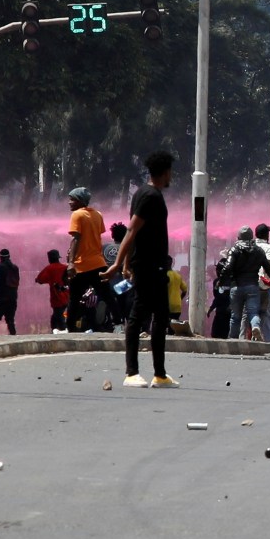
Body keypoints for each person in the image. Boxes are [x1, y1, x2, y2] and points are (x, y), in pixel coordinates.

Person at [110, 151, 176, 387]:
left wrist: (126, 263)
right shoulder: (151, 196)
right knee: (138, 316)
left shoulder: (142, 193)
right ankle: (131, 373)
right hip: (148, 266)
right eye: (171, 172)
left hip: (151, 265)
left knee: (160, 317)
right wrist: (119, 263)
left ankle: (159, 374)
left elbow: (136, 233)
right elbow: (131, 230)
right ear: (165, 171)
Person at [65, 187, 108, 334]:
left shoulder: (77, 215)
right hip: (98, 262)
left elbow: (76, 238)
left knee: (74, 298)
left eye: (71, 199)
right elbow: (98, 234)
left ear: (79, 201)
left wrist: (71, 262)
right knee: (108, 295)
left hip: (82, 264)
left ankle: (70, 328)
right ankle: (118, 323)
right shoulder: (98, 214)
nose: (69, 202)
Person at [217, 226, 269, 342]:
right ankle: (255, 327)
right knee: (253, 313)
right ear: (252, 237)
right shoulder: (258, 250)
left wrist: (221, 282)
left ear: (238, 237)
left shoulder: (234, 249)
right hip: (252, 286)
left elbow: (227, 268)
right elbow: (268, 267)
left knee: (235, 317)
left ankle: (233, 340)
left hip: (236, 286)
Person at [34, 248, 68, 333]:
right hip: (67, 296)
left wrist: (37, 280)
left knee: (59, 317)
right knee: (55, 317)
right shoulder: (65, 267)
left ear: (49, 259)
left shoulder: (49, 269)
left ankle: (63, 332)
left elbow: (40, 279)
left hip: (56, 297)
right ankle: (56, 331)